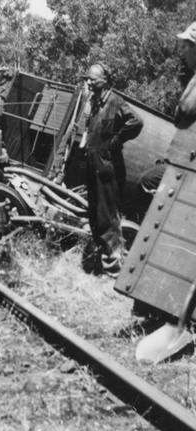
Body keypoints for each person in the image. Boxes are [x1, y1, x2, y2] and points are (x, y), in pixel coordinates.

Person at [80, 62, 144, 277]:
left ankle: (115, 269)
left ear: (105, 80)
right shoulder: (96, 103)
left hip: (107, 169)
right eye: (87, 78)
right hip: (94, 166)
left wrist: (116, 142)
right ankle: (102, 263)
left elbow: (136, 121)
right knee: (95, 216)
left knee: (108, 218)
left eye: (92, 78)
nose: (88, 82)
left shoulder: (115, 101)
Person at [139, 21, 196, 194]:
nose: (183, 51)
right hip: (185, 160)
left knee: (147, 181)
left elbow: (184, 110)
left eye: (187, 46)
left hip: (188, 164)